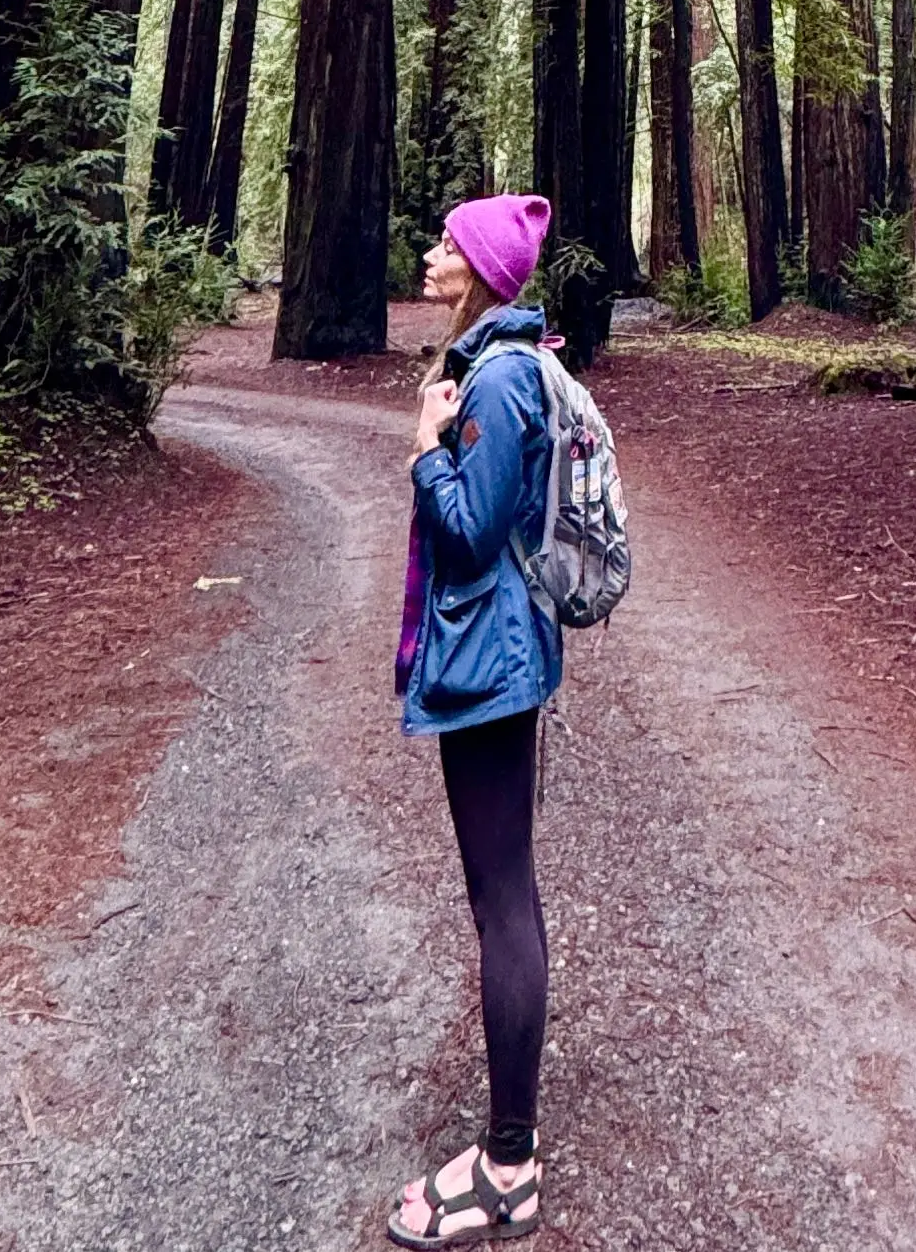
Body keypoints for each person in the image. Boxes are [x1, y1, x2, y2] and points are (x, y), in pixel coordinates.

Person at [387, 192, 562, 1246]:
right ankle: (511, 1148)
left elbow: (468, 532)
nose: (431, 251)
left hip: (491, 668)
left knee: (504, 897)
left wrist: (427, 447)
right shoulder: (492, 364)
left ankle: (507, 1164)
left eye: (448, 243)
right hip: (497, 659)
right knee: (500, 886)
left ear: (486, 271)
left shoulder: (497, 377)